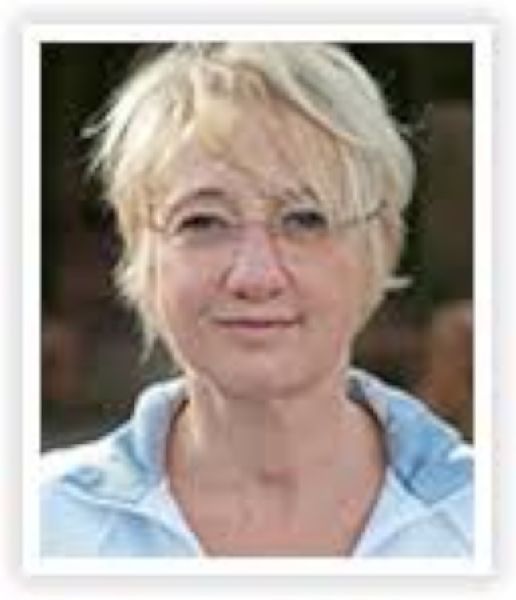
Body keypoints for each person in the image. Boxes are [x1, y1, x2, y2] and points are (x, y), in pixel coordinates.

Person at [40, 42, 473, 557]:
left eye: (305, 219)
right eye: (203, 221)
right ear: (142, 254)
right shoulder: (38, 524)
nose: (255, 276)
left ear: (380, 247)